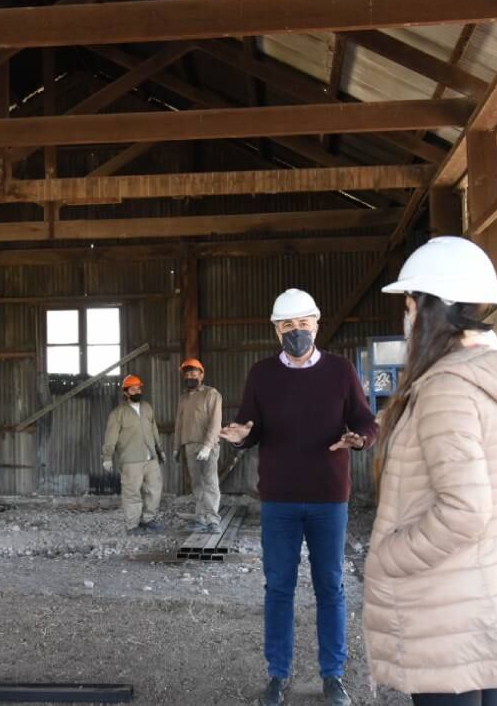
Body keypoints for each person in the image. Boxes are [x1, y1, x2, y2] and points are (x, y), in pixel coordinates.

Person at [362, 236, 497, 706]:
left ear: (430, 308)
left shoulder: (445, 390)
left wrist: (389, 555)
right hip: (486, 602)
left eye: (410, 303)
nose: (407, 314)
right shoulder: (494, 379)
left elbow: (465, 509)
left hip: (444, 616)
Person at [220, 288, 377, 706]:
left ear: (316, 324)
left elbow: (364, 419)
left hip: (328, 499)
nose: (296, 332)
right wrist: (239, 437)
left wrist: (359, 439)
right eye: (287, 325)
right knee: (279, 588)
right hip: (279, 501)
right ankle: (278, 675)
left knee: (330, 587)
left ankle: (333, 676)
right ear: (276, 330)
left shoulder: (341, 371)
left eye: (303, 323)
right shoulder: (262, 374)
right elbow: (249, 427)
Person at [102, 374, 166, 535]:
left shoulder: (147, 408)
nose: (137, 391)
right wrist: (107, 457)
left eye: (138, 388)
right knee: (132, 493)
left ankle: (148, 520)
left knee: (154, 489)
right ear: (126, 392)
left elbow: (154, 430)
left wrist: (159, 450)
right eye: (133, 388)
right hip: (130, 460)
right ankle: (132, 525)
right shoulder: (118, 413)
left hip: (150, 458)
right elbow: (111, 436)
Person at [174, 358, 223, 534]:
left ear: (201, 375)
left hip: (207, 446)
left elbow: (215, 422)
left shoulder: (211, 394)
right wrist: (176, 446)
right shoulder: (183, 398)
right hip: (189, 445)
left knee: (209, 482)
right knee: (197, 484)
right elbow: (179, 424)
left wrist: (208, 446)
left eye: (194, 374)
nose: (190, 377)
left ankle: (212, 520)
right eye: (187, 374)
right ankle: (201, 518)